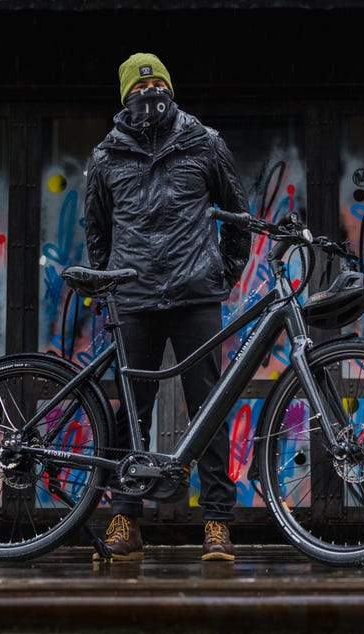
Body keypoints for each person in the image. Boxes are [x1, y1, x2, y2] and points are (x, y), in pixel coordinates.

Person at [83, 52, 251, 562]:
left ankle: (217, 523)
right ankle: (125, 519)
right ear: (124, 98)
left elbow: (238, 212)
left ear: (170, 88)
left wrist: (224, 273)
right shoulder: (106, 157)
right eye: (139, 85)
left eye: (156, 82)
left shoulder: (205, 142)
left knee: (210, 410)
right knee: (130, 413)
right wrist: (110, 284)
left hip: (196, 295)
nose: (148, 91)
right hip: (134, 299)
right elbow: (97, 231)